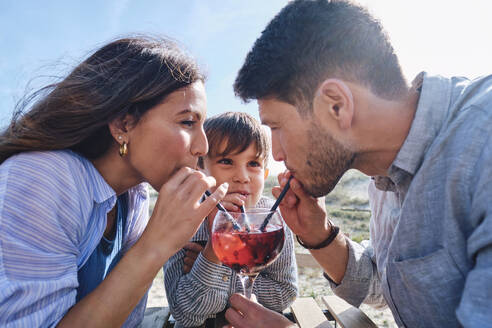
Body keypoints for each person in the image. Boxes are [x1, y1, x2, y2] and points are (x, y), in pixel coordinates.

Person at [224, 1, 492, 327]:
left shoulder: (483, 146)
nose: (276, 154)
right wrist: (319, 235)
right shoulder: (381, 172)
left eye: (276, 127)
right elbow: (389, 285)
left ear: (336, 106)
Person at [0, 36, 229, 327]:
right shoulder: (41, 178)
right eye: (187, 122)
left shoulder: (134, 197)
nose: (203, 147)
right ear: (123, 124)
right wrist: (155, 245)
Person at [164, 112, 298, 328]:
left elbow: (285, 293)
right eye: (226, 161)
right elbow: (185, 314)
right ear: (201, 170)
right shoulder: (181, 222)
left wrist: (224, 274)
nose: (242, 176)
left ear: (264, 173)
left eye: (253, 163)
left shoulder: (272, 220)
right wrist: (212, 252)